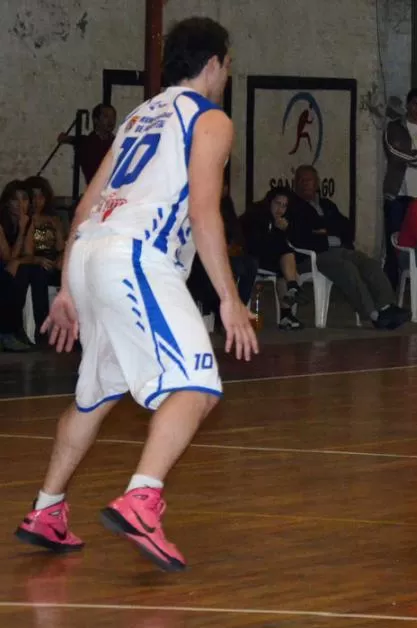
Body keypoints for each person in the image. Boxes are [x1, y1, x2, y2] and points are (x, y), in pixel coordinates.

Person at [13, 17, 258, 573]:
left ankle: (47, 509)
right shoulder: (211, 118)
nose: (228, 71)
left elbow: (81, 208)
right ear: (215, 63)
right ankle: (142, 497)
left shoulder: (138, 116)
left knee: (94, 395)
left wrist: (66, 288)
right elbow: (203, 211)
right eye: (228, 62)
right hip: (137, 257)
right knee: (198, 386)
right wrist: (228, 297)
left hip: (94, 253)